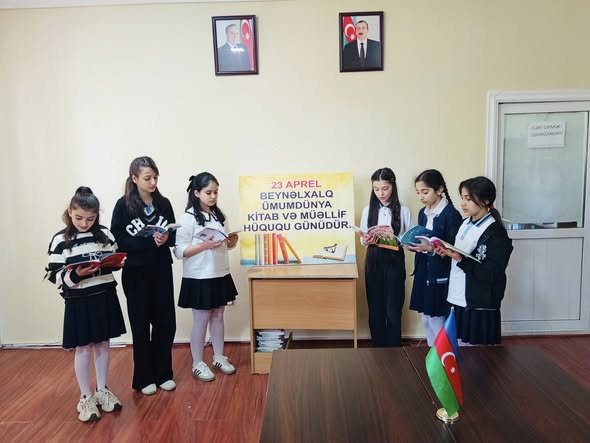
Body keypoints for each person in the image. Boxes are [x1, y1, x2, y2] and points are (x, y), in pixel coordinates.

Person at [45, 187, 126, 422]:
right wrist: (76, 275)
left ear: (97, 215)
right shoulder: (60, 240)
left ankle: (102, 389)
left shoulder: (104, 234)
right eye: (79, 217)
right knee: (83, 348)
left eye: (90, 219)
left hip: (103, 295)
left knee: (103, 344)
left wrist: (115, 263)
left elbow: (113, 257)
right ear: (70, 212)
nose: (84, 223)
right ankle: (85, 396)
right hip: (78, 300)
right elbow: (53, 275)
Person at [110, 156, 177, 395]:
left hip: (161, 269)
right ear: (134, 178)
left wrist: (166, 238)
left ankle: (163, 374)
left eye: (155, 177)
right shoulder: (123, 205)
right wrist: (148, 242)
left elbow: (174, 234)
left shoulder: (164, 203)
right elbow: (118, 239)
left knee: (165, 323)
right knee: (140, 325)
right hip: (136, 272)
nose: (153, 182)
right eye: (148, 178)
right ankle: (144, 378)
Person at [175, 172, 239, 381]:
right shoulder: (188, 218)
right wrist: (205, 245)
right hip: (199, 277)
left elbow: (226, 243)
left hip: (220, 273)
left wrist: (231, 242)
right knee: (201, 319)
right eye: (208, 192)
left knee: (219, 316)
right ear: (196, 193)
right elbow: (179, 251)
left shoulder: (219, 215)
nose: (213, 196)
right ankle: (197, 363)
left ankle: (219, 356)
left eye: (216, 192)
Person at [434, 176, 513, 345]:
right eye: (462, 197)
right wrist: (444, 252)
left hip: (478, 303)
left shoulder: (496, 233)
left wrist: (460, 259)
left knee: (478, 355)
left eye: (468, 199)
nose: (463, 203)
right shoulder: (465, 223)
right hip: (456, 296)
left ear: (485, 201)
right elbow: (458, 255)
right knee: (455, 349)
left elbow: (492, 273)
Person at [408, 169, 463, 346]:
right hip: (423, 270)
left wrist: (431, 249)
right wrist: (413, 245)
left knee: (436, 318)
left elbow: (454, 250)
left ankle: (443, 356)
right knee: (425, 317)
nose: (421, 197)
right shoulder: (422, 213)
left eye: (425, 192)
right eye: (418, 193)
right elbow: (423, 238)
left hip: (439, 273)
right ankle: (434, 354)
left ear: (439, 190)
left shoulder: (451, 215)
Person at [360, 167, 412, 347]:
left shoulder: (403, 210)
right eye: (376, 189)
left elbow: (410, 240)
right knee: (375, 307)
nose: (381, 193)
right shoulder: (368, 209)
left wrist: (397, 240)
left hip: (394, 260)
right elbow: (363, 237)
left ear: (393, 187)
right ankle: (378, 347)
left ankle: (394, 348)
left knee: (393, 307)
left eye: (385, 188)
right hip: (373, 260)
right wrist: (366, 239)